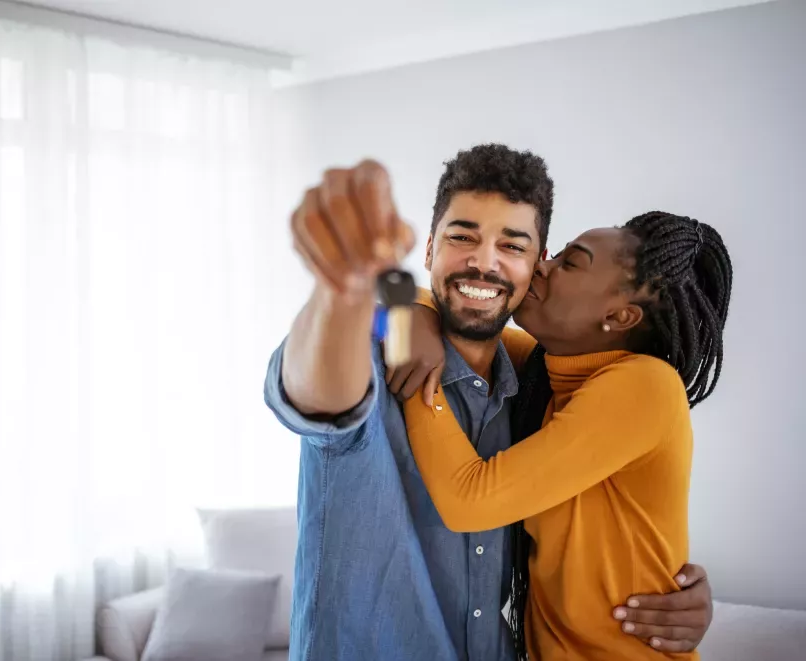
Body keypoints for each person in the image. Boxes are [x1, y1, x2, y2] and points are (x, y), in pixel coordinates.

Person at [264, 145, 714, 661]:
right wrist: (358, 293)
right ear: (430, 248)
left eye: (516, 246)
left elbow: (476, 501)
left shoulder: (582, 384)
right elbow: (315, 382)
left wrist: (691, 594)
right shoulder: (405, 348)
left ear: (533, 266)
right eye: (463, 237)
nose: (485, 260)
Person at [395, 212, 731, 659]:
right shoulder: (545, 375)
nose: (538, 266)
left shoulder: (646, 385)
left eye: (570, 263)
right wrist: (415, 314)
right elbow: (423, 308)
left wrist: (419, 368)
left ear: (619, 315)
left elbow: (468, 499)